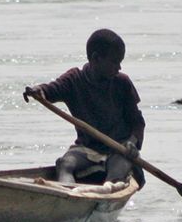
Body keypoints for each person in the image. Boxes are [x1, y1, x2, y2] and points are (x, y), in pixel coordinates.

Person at [23, 29, 146, 186]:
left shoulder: (122, 83)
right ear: (95, 59)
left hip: (119, 150)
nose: (119, 67)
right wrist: (38, 91)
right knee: (65, 164)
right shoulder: (74, 80)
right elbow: (50, 90)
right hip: (87, 149)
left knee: (117, 171)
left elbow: (137, 122)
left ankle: (106, 193)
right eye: (114, 62)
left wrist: (131, 142)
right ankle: (69, 196)